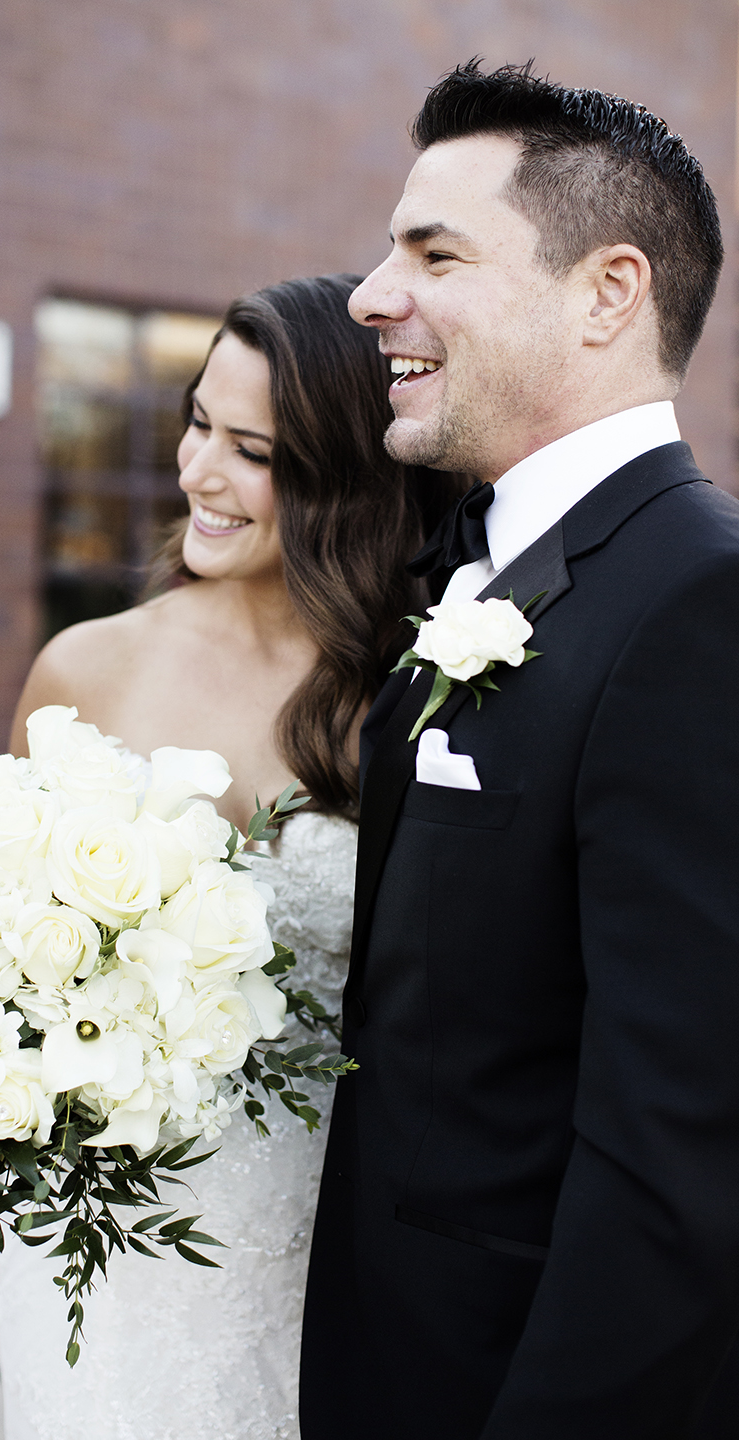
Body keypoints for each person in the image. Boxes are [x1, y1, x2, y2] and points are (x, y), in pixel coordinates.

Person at [300, 60, 739, 1440]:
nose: (374, 295)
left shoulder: (697, 602)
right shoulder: (478, 565)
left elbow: (681, 1152)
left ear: (609, 293)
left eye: (434, 252)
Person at [0, 273, 458, 1440]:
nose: (200, 473)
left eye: (252, 449)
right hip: (103, 1252)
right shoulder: (85, 669)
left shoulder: (422, 694)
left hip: (328, 1248)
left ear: (348, 475)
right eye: (199, 422)